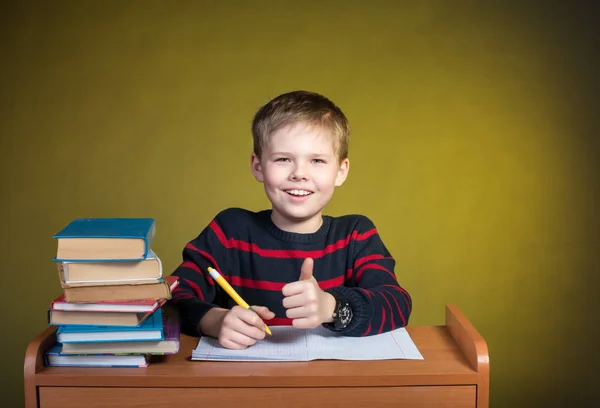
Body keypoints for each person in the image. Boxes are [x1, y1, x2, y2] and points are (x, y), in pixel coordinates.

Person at [170, 90, 411, 350]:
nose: (299, 174)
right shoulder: (230, 232)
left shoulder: (356, 235)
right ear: (258, 166)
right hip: (246, 383)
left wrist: (331, 306)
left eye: (317, 160)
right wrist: (214, 320)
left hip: (334, 383)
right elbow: (169, 299)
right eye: (284, 159)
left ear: (340, 172)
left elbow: (396, 304)